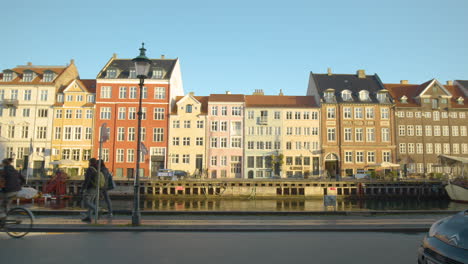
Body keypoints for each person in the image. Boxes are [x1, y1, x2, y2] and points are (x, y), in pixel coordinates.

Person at [81, 158, 99, 222]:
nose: (88, 163)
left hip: (91, 188)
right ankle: (89, 217)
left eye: (89, 162)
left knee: (86, 201)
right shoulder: (96, 169)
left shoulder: (90, 169)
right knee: (90, 202)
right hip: (96, 188)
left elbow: (87, 180)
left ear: (90, 162)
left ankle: (97, 210)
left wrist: (84, 188)